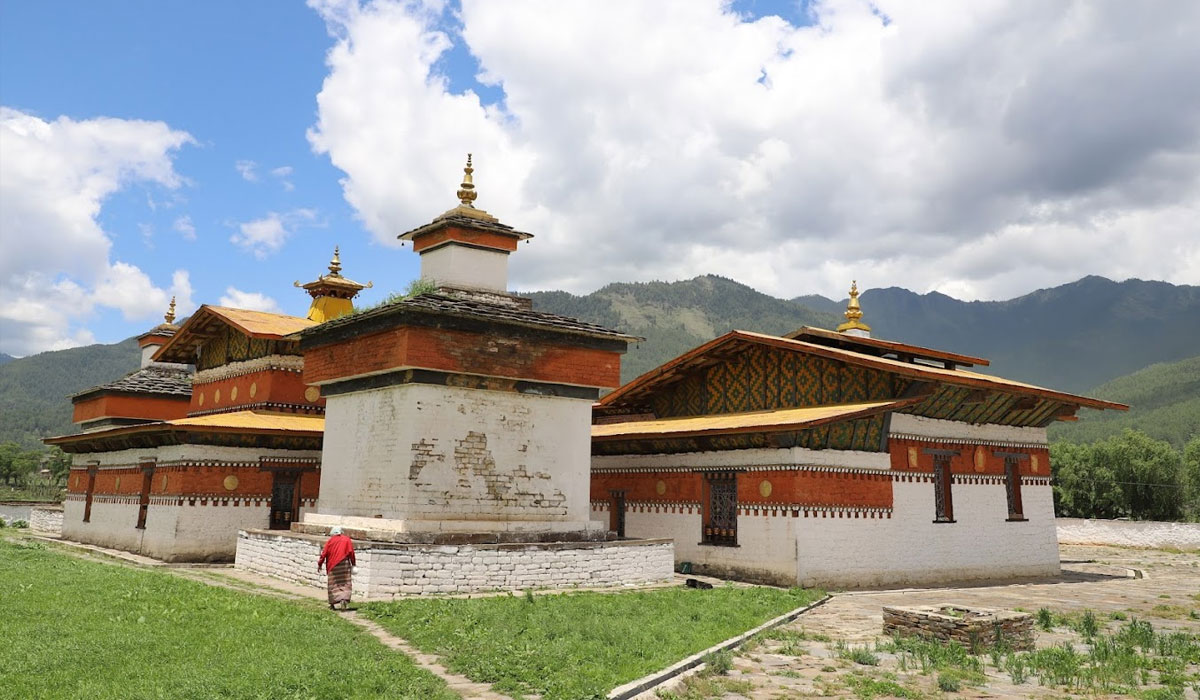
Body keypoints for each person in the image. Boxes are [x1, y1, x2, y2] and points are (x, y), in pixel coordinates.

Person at [317, 526, 356, 610]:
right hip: (344, 564)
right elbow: (351, 553)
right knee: (345, 582)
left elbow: (324, 554)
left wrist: (320, 564)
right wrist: (353, 564)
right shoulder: (347, 540)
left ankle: (333, 604)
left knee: (333, 583)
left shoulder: (330, 541)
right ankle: (343, 599)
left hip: (333, 565)